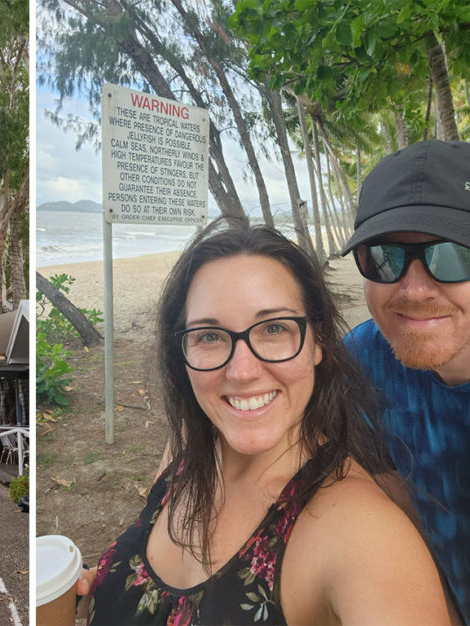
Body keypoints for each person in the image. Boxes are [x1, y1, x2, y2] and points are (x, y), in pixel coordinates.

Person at [76, 224, 450, 624]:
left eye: (274, 329)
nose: (241, 371)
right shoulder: (185, 450)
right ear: (182, 353)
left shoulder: (364, 536)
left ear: (318, 342)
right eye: (209, 335)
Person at [340, 139, 470, 622]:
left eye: (454, 254)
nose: (414, 289)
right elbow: (398, 509)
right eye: (385, 257)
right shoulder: (364, 360)